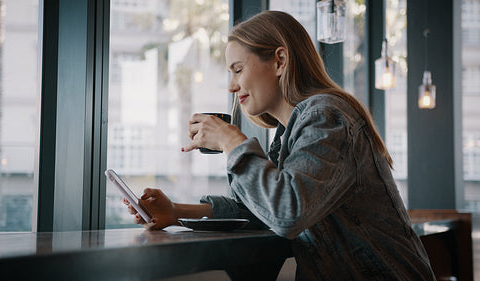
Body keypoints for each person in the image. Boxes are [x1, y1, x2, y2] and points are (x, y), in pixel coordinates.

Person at [125, 10, 436, 280]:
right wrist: (175, 212)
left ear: (280, 60)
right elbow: (261, 211)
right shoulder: (289, 133)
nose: (232, 86)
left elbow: (288, 213)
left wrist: (234, 142)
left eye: (238, 69)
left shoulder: (327, 116)